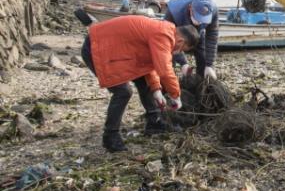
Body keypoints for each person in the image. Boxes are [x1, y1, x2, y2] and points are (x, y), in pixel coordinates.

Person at [81, 16, 200, 152]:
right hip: (97, 47)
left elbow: (147, 65)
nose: (179, 52)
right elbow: (165, 70)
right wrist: (176, 95)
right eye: (182, 49)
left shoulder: (164, 30)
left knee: (144, 81)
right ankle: (110, 136)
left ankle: (154, 122)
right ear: (181, 41)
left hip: (111, 47)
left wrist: (156, 89)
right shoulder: (164, 35)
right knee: (123, 92)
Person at [164, 0, 219, 80]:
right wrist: (183, 63)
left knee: (203, 57)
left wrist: (209, 65)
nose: (200, 21)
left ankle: (201, 81)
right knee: (168, 58)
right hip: (178, 26)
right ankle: (169, 82)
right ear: (190, 8)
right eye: (198, 17)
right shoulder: (173, 13)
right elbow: (169, 42)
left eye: (203, 19)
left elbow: (212, 37)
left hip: (199, 32)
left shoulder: (213, 12)